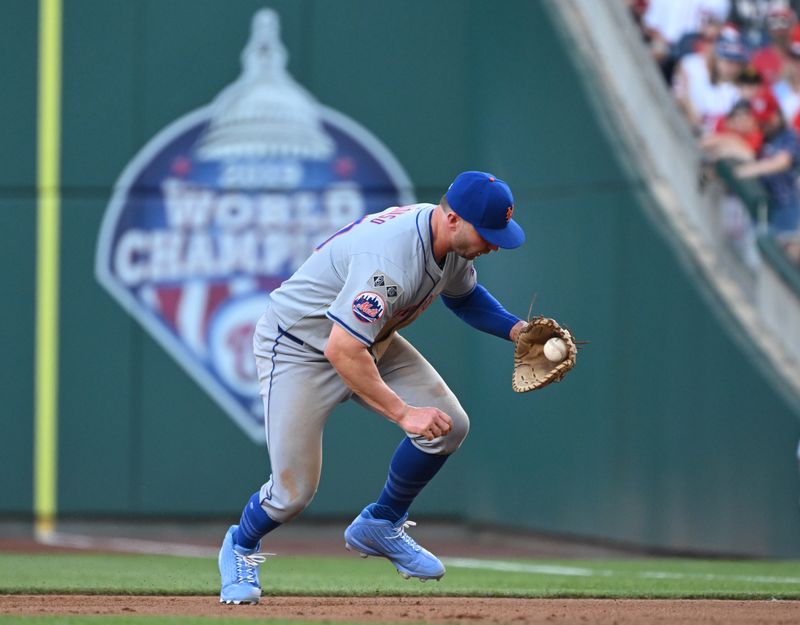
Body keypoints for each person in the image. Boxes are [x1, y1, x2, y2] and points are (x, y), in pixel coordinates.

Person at [218, 171, 528, 604]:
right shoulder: (392, 260)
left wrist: (517, 330)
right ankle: (240, 545)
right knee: (292, 494)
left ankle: (382, 522)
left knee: (450, 427)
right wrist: (404, 413)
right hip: (297, 349)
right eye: (488, 232)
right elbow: (342, 351)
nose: (495, 243)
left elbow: (465, 297)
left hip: (369, 341)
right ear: (453, 218)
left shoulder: (450, 241)